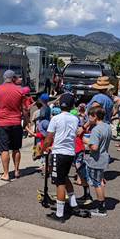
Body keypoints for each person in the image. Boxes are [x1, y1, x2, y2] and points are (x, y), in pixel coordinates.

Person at [42, 93, 82, 223]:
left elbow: (49, 138)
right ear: (72, 106)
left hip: (58, 152)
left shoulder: (56, 119)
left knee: (59, 183)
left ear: (60, 104)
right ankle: (73, 204)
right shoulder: (75, 119)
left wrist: (43, 148)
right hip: (70, 152)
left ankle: (60, 214)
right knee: (64, 177)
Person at [84, 106, 112, 216]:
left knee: (97, 183)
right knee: (100, 181)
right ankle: (102, 204)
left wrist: (87, 142)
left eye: (89, 117)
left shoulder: (96, 129)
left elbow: (94, 147)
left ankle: (101, 208)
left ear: (95, 116)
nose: (88, 119)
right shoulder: (107, 126)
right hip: (104, 157)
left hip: (96, 159)